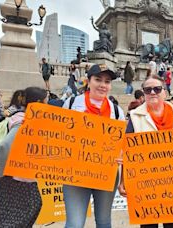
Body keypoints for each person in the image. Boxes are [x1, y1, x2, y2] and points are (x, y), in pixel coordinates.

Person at [118, 75, 173, 228]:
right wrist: (123, 180)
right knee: (148, 225)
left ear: (165, 93)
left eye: (157, 89)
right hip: (145, 183)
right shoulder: (135, 117)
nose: (153, 92)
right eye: (148, 90)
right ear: (144, 94)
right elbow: (127, 149)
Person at [62, 64, 125, 228]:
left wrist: (120, 154)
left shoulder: (117, 111)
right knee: (74, 224)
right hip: (76, 172)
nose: (103, 85)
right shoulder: (71, 103)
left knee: (104, 222)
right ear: (88, 81)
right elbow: (59, 135)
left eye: (107, 81)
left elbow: (121, 143)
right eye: (98, 80)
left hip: (106, 172)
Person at [0, 87, 47, 227]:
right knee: (15, 222)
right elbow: (4, 146)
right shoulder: (23, 122)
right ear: (38, 103)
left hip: (17, 181)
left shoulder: (23, 118)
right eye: (46, 101)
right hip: (21, 183)